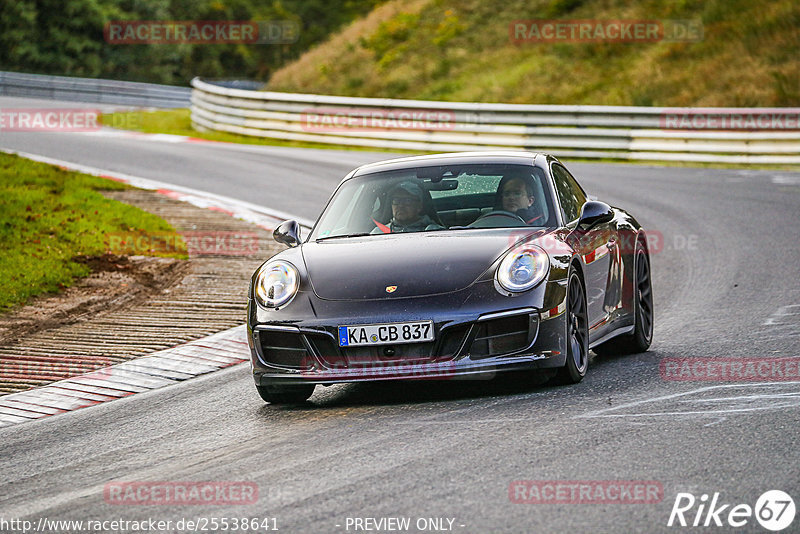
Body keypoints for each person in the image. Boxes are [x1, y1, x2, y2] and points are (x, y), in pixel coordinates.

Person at [371, 181, 444, 233]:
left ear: (419, 206)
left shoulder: (435, 233)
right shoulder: (378, 233)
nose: (400, 205)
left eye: (407, 201)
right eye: (396, 200)